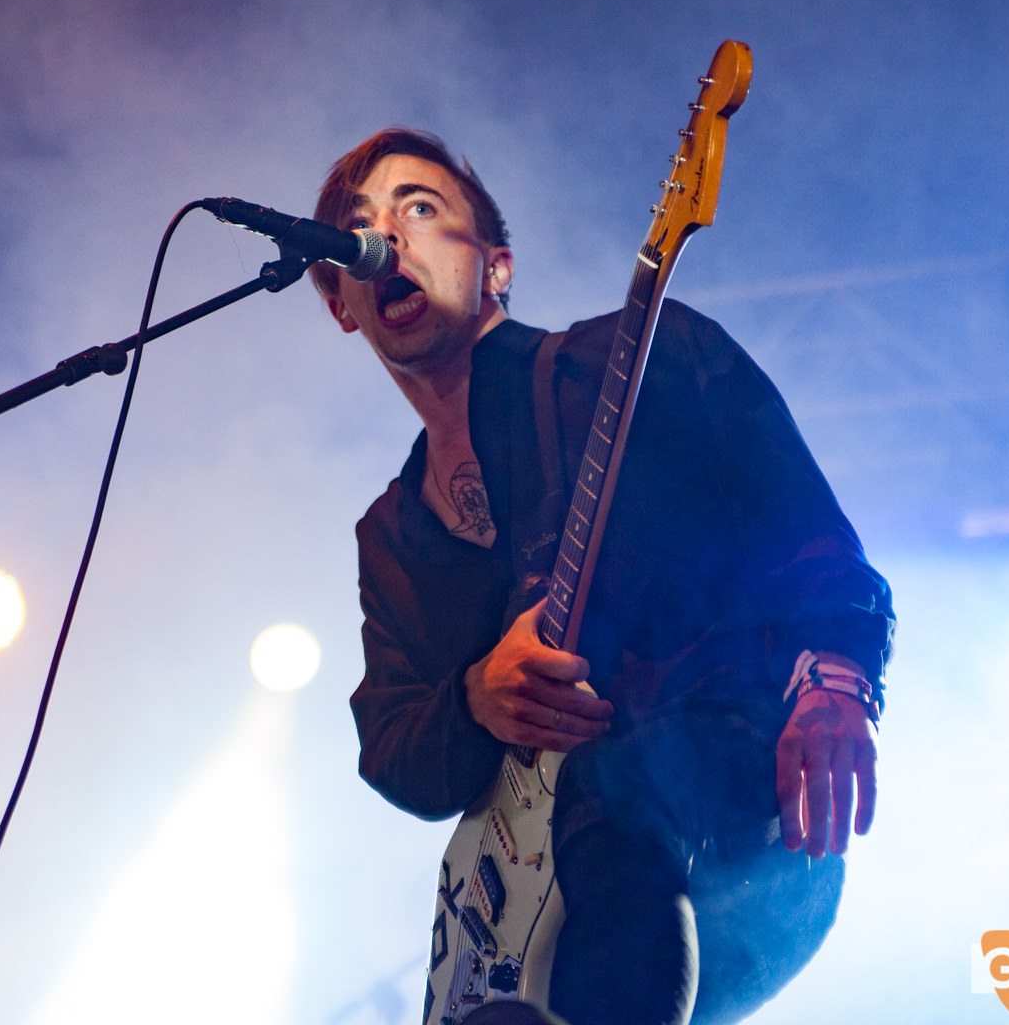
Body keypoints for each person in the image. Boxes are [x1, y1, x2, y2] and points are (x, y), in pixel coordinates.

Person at [311, 128, 894, 1025]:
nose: (387, 233)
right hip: (547, 907)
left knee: (612, 782)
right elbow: (391, 750)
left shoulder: (645, 357)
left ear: (496, 266)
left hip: (737, 796)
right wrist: (475, 697)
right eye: (362, 224)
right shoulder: (392, 535)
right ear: (341, 300)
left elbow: (808, 534)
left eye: (420, 209)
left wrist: (835, 683)